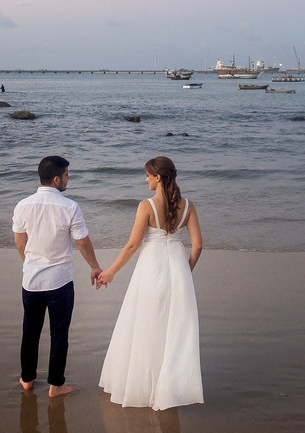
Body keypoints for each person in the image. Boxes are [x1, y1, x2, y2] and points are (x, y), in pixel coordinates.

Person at [97, 156, 204, 410]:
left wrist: (111, 271)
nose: (145, 179)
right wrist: (185, 273)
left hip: (152, 269)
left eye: (147, 175)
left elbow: (133, 244)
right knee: (175, 332)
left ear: (158, 177)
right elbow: (197, 246)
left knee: (147, 326)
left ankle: (144, 389)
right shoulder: (188, 206)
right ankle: (170, 390)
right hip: (178, 269)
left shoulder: (146, 205)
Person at [13, 155, 103, 397]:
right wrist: (94, 266)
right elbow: (82, 242)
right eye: (66, 175)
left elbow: (20, 243)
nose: (68, 178)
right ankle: (55, 385)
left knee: (30, 332)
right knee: (59, 333)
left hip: (31, 281)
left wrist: (32, 264)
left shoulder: (22, 205)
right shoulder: (70, 207)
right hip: (60, 282)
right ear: (56, 179)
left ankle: (27, 379)